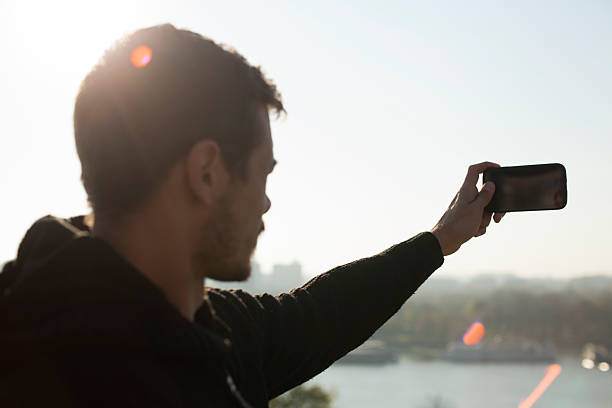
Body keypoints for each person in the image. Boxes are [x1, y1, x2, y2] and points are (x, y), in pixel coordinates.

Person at [0, 24, 505, 407]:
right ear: (206, 172)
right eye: (264, 173)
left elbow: (318, 315)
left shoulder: (206, 328)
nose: (265, 203)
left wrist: (440, 239)